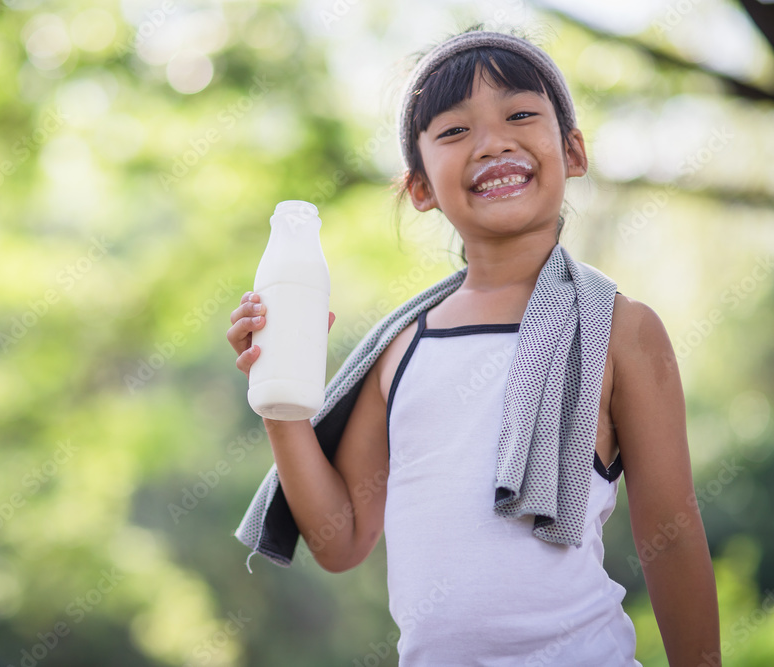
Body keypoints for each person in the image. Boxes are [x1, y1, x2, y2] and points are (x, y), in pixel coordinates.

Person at [226, 27, 720, 666]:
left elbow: (670, 536)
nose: (492, 142)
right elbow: (340, 540)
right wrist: (280, 397)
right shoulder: (401, 348)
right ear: (422, 189)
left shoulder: (618, 330)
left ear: (572, 150)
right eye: (455, 132)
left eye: (519, 115)